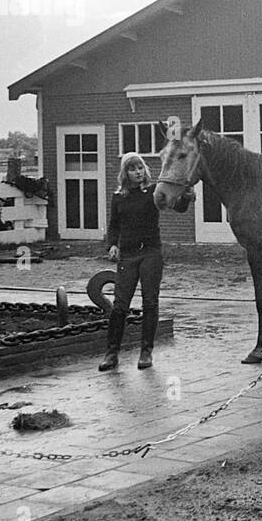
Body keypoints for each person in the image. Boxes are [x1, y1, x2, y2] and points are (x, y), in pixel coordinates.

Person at [99, 152, 163, 371]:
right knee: (120, 305)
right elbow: (114, 225)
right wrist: (112, 245)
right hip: (127, 255)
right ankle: (111, 353)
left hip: (151, 253)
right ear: (125, 172)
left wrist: (187, 196)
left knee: (150, 301)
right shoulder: (119, 196)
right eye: (133, 168)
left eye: (140, 167)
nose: (138, 172)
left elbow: (176, 203)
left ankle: (146, 351)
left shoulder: (153, 192)